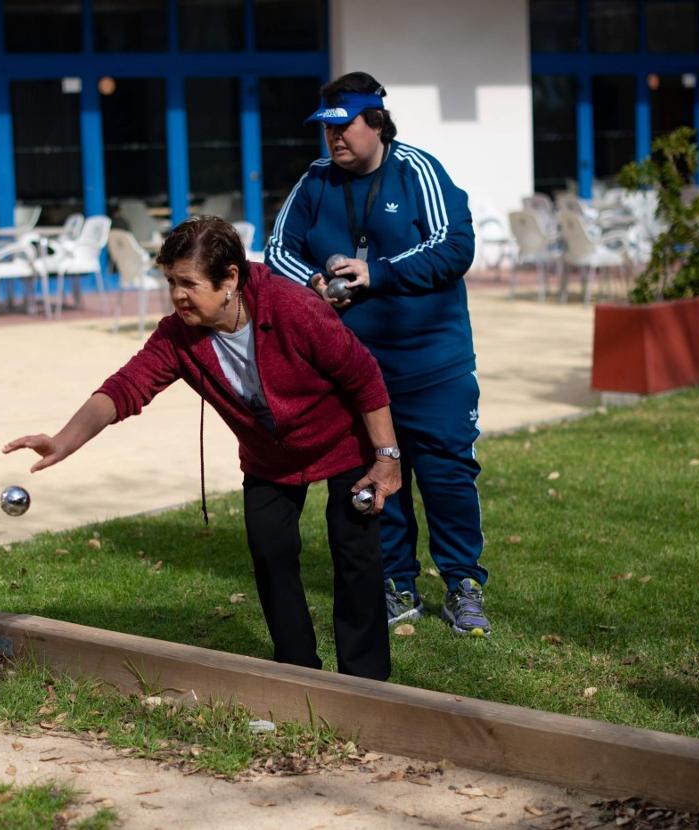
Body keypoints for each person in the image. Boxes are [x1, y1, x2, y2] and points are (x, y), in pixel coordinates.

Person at [3, 217, 402, 680]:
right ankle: (299, 674)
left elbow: (363, 376)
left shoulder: (292, 307)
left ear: (229, 278)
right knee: (271, 554)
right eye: (171, 281)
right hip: (269, 458)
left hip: (341, 444)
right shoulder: (180, 335)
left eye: (188, 283)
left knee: (355, 559)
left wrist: (386, 459)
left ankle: (367, 681)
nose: (177, 295)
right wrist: (64, 440)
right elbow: (126, 387)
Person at [265, 71, 491, 637]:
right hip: (356, 372)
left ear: (376, 123)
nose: (334, 139)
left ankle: (463, 585)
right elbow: (276, 252)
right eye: (326, 129)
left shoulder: (418, 170)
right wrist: (315, 283)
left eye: (344, 127)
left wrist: (376, 273)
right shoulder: (314, 181)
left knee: (446, 477)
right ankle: (397, 584)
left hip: (432, 365)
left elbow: (454, 246)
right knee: (376, 478)